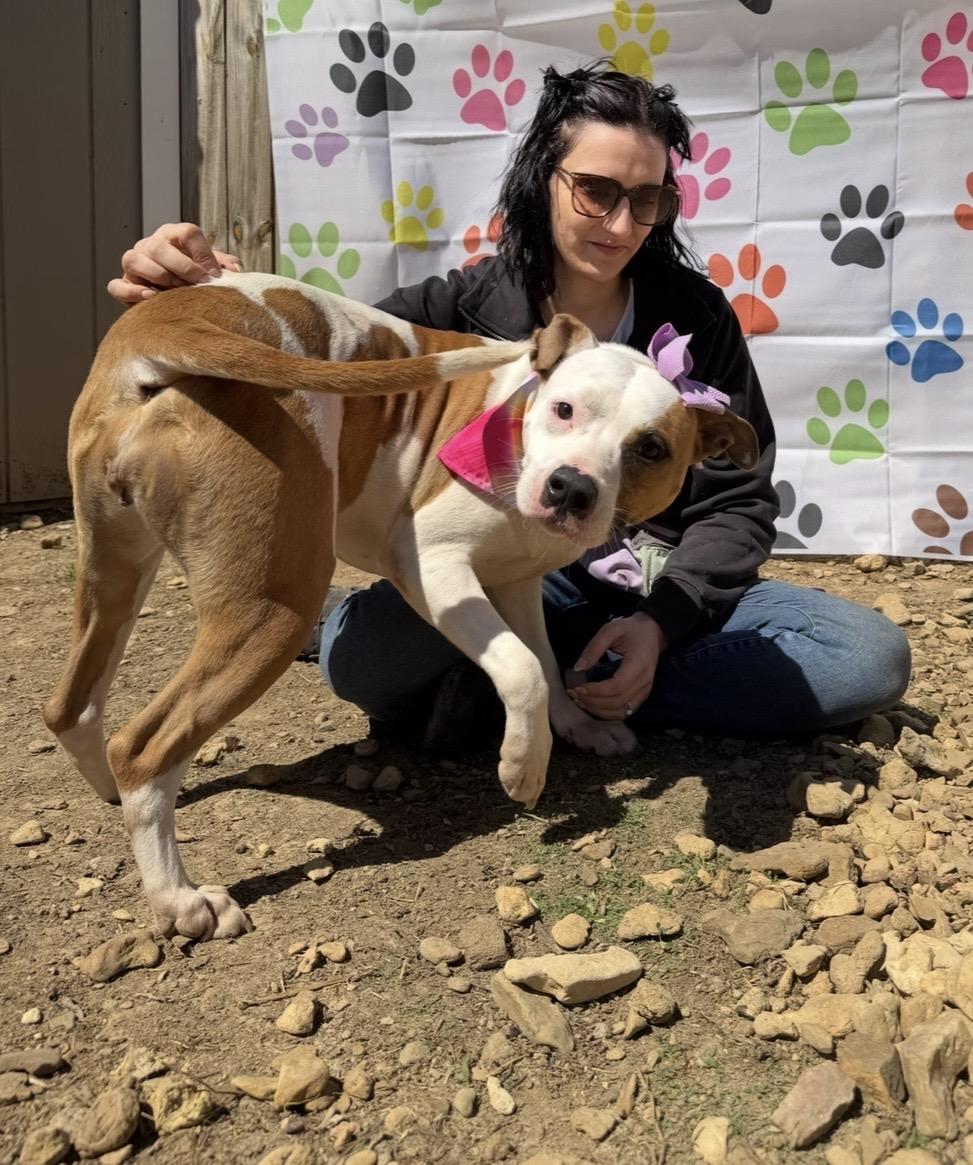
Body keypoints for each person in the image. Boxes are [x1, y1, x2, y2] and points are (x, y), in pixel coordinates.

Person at [108, 61, 911, 750]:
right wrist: (215, 288)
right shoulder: (456, 312)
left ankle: (546, 690)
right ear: (543, 179)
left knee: (864, 659)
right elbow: (327, 362)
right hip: (498, 569)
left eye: (648, 200)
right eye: (595, 191)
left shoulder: (695, 320)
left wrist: (662, 624)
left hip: (647, 575)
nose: (622, 223)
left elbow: (738, 502)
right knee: (362, 661)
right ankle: (534, 681)